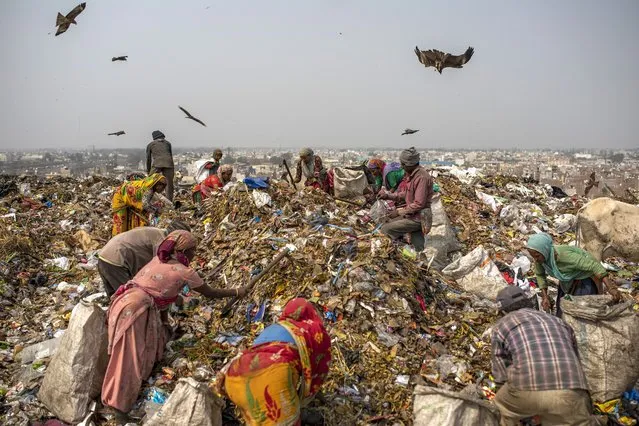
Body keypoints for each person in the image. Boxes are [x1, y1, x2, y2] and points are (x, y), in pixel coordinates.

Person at [101, 231, 249, 419]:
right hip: (136, 311)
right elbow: (210, 293)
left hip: (124, 302)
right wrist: (237, 291)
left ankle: (121, 395)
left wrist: (164, 323)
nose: (195, 254)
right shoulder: (184, 271)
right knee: (129, 358)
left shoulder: (158, 260)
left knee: (126, 353)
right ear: (185, 251)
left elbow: (160, 295)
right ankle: (118, 407)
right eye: (194, 250)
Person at [491, 286, 597, 425]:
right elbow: (576, 359)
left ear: (504, 310)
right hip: (572, 391)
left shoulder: (501, 325)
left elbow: (500, 374)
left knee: (499, 408)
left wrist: (505, 393)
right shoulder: (559, 321)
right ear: (529, 302)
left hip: (526, 389)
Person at [219, 298, 331, 426]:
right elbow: (318, 368)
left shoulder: (274, 327)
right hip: (272, 373)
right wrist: (314, 396)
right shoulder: (313, 329)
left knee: (260, 419)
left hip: (234, 375)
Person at [526, 232, 621, 317]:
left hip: (584, 282)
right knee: (563, 313)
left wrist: (611, 288)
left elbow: (594, 266)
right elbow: (540, 275)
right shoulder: (542, 260)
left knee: (582, 313)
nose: (535, 259)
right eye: (533, 256)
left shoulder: (563, 255)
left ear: (545, 249)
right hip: (566, 283)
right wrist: (545, 297)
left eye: (537, 256)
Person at [98, 220, 191, 297]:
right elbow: (159, 268)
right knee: (130, 297)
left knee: (115, 297)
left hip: (104, 256)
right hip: (116, 261)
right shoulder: (162, 241)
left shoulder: (157, 232)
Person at [378, 147, 433, 252]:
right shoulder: (413, 175)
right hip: (414, 215)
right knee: (418, 245)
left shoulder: (421, 178)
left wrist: (399, 212)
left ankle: (389, 254)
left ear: (410, 164)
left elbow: (418, 204)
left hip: (419, 218)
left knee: (386, 229)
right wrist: (388, 196)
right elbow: (406, 194)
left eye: (403, 164)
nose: (402, 167)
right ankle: (421, 260)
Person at [146, 130, 175, 201]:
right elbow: (170, 155)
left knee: (149, 183)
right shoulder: (168, 143)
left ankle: (148, 199)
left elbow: (148, 159)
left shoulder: (150, 144)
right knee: (169, 184)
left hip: (157, 164)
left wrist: (149, 171)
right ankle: (169, 202)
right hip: (169, 164)